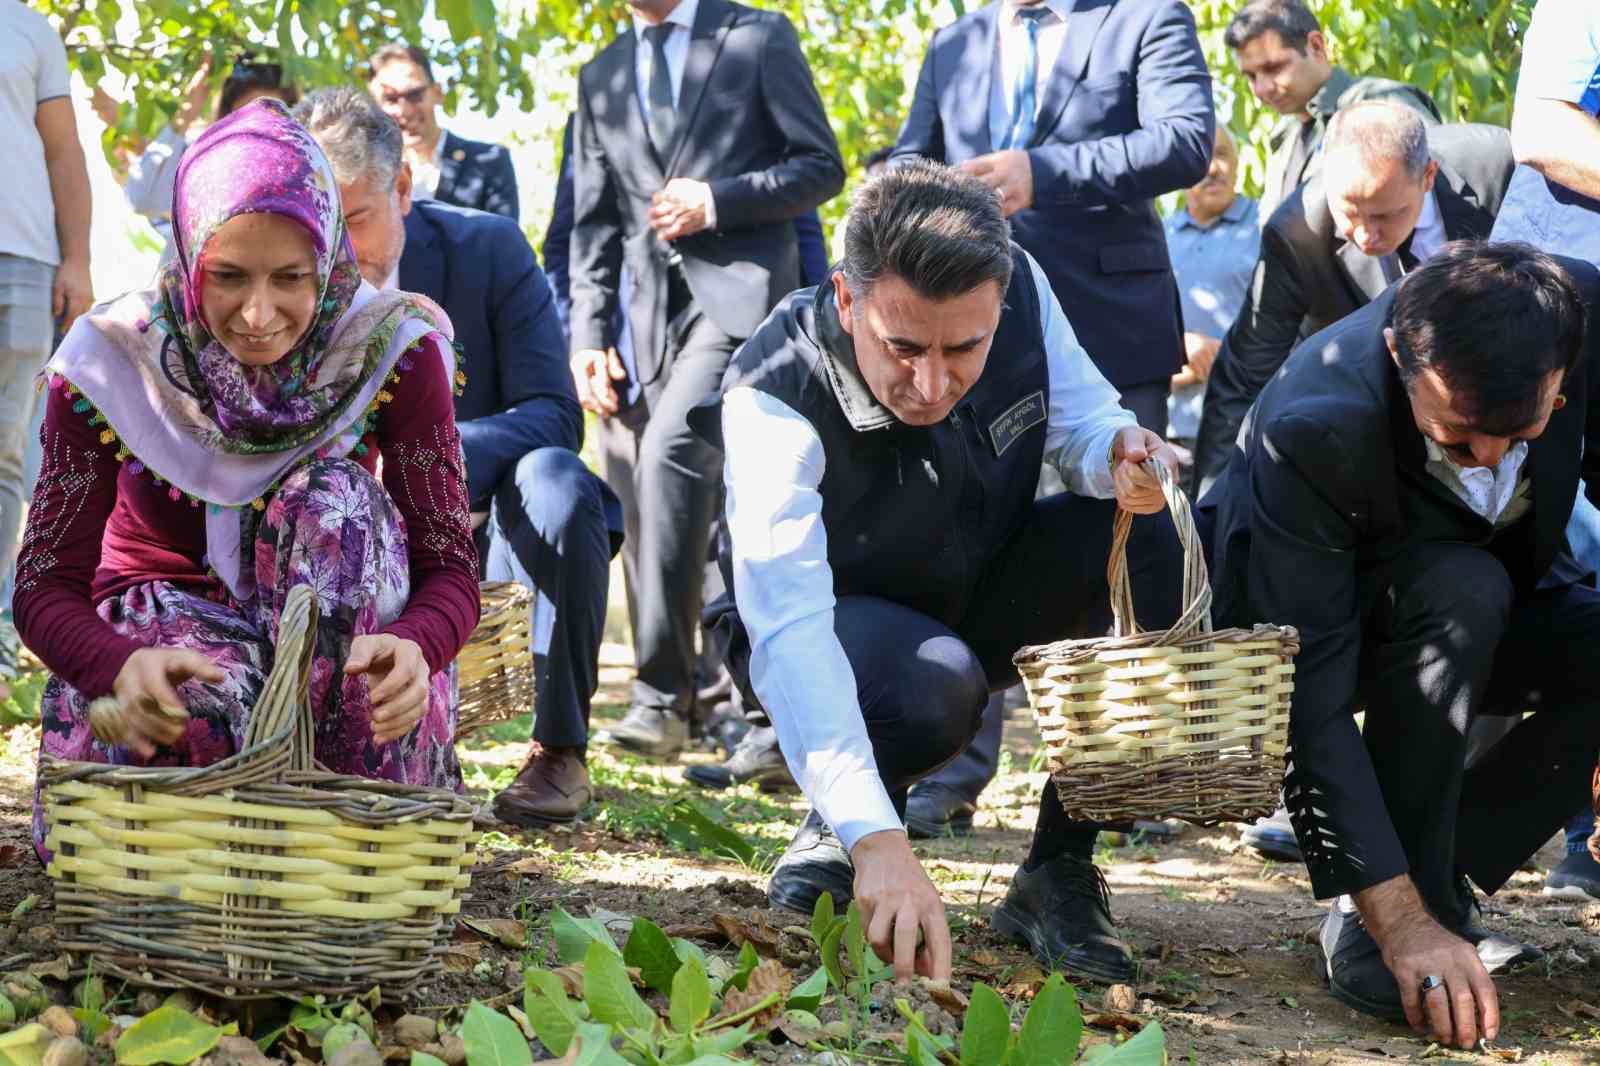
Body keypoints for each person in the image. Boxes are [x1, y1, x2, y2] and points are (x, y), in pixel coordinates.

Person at [697, 160, 1186, 983]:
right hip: (837, 630)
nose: (931, 384)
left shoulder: (1020, 285)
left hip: (970, 577)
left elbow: (1084, 419)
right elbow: (790, 628)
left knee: (1155, 530)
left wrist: (1119, 453)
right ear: (848, 300)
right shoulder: (771, 390)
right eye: (902, 347)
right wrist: (879, 838)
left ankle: (1057, 871)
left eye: (965, 348)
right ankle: (845, 819)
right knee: (934, 688)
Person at [18, 99, 480, 858]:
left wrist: (416, 646)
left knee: (334, 500)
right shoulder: (111, 358)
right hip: (169, 623)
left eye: (291, 278)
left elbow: (450, 568)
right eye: (227, 276)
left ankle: (343, 842)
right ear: (188, 249)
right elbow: (42, 584)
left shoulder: (391, 348)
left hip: (336, 643)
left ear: (330, 258)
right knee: (189, 715)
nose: (258, 314)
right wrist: (116, 666)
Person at [1202, 241, 1600, 1046]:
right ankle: (1378, 904)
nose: (1490, 461)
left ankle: (1441, 865)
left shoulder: (1576, 315)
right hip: (1334, 615)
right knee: (1461, 589)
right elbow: (1305, 702)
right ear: (1397, 354)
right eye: (1457, 438)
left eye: (1521, 432)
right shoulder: (1312, 425)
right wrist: (1398, 922)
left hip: (1508, 584)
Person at [294, 89, 618, 828]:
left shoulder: (490, 248)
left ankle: (559, 750)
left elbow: (555, 412)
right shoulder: (284, 281)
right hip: (328, 538)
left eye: (356, 221)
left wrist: (428, 459)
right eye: (319, 227)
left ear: (402, 186)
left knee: (560, 481)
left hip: (480, 520)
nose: (336, 253)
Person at [568, 0, 844, 759]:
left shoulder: (758, 35)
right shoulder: (602, 74)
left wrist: (718, 200)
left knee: (669, 457)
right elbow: (591, 220)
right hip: (645, 324)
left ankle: (662, 697)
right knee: (670, 500)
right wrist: (587, 336)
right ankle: (744, 709)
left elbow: (821, 166)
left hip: (743, 302)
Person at [891, 0, 1215, 431]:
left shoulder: (1146, 15)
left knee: (1120, 492)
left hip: (1110, 330)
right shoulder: (953, 43)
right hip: (968, 337)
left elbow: (1183, 141)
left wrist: (1040, 173)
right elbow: (913, 159)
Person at [1192, 104, 1514, 494]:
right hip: (1387, 435)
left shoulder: (1497, 166)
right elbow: (1244, 375)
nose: (1364, 236)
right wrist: (1211, 508)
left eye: (1385, 215)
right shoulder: (1298, 233)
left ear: (1427, 176)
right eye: (1349, 213)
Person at [1486, 0, 1600, 902]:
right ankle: (1414, 871)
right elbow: (1545, 129)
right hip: (1561, 305)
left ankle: (1582, 844)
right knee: (1495, 570)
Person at [0, 1, 93, 687]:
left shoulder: (28, 26)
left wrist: (78, 260)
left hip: (23, 265)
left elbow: (63, 149)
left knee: (4, 458)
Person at [1224, 0, 1440, 223]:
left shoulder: (1380, 104)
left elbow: (1439, 201)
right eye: (1250, 76)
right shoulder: (1284, 137)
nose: (1261, 88)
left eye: (1273, 68)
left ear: (1316, 46)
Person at [103, 54, 299, 263]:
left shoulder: (303, 180)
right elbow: (141, 198)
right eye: (247, 117)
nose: (259, 128)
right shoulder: (205, 163)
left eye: (271, 115)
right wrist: (187, 111)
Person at [1162, 124, 1259, 466]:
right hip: (1170, 426)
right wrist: (1179, 348)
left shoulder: (1266, 227)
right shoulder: (1159, 238)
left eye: (1221, 154)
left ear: (1236, 162)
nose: (1213, 168)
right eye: (1201, 156)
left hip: (1244, 423)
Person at [368, 43, 518, 221]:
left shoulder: (490, 161)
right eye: (391, 99)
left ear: (437, 93)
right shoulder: (370, 175)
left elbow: (504, 242)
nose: (404, 110)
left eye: (414, 95)